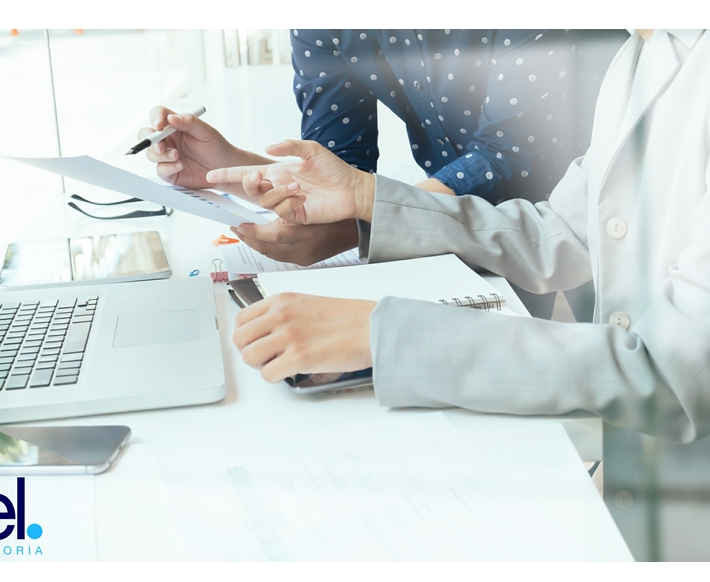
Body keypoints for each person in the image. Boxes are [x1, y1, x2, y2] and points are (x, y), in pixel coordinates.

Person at [208, 30, 710, 443]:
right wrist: (364, 197)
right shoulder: (643, 51)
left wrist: (383, 335)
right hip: (635, 457)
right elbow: (558, 231)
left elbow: (672, 376)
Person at [141, 29, 626, 319]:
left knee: (624, 368)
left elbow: (507, 156)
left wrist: (360, 221)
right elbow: (339, 167)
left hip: (611, 196)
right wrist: (226, 167)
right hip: (471, 220)